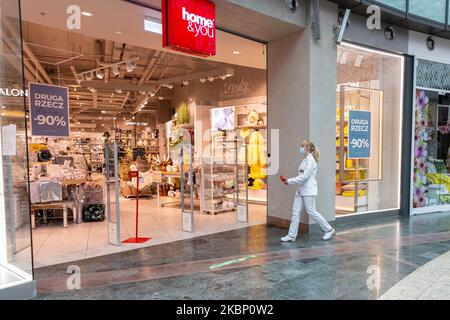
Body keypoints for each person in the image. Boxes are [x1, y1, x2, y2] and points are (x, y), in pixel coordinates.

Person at [280, 141, 336, 242]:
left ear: (308, 148)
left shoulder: (311, 161)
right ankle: (292, 236)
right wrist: (289, 181)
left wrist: (289, 181)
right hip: (301, 190)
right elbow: (302, 176)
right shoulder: (305, 160)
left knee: (311, 211)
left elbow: (304, 177)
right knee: (295, 212)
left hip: (309, 190)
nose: (301, 148)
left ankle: (329, 229)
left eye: (302, 146)